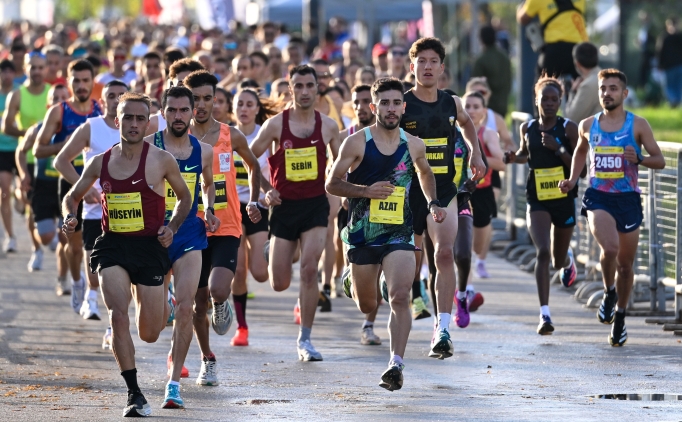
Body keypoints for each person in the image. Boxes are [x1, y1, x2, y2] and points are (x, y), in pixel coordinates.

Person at [62, 92, 191, 417]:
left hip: (149, 247)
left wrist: (172, 227)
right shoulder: (99, 162)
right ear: (117, 120)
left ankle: (165, 300)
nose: (134, 124)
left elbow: (185, 197)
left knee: (149, 333)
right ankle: (134, 393)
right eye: (128, 118)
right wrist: (70, 216)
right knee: (117, 315)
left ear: (147, 123)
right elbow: (72, 197)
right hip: (113, 246)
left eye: (140, 118)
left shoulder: (161, 160)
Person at [328, 77, 445, 390]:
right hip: (363, 234)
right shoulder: (356, 143)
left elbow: (425, 172)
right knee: (367, 305)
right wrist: (366, 191)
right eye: (385, 103)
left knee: (400, 296)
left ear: (404, 107)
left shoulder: (414, 144)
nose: (391, 109)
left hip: (399, 233)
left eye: (396, 103)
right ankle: (353, 279)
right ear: (373, 107)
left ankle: (396, 363)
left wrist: (433, 202)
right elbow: (332, 183)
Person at [559, 69, 665, 346]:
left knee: (626, 266)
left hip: (628, 199)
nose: (607, 93)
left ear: (624, 93)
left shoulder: (637, 125)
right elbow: (581, 150)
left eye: (613, 89)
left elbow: (660, 160)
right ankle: (608, 291)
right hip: (599, 197)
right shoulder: (587, 125)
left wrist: (639, 159)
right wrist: (573, 179)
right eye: (603, 89)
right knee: (610, 248)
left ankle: (620, 316)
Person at [399, 38, 485, 361]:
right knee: (410, 264)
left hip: (444, 190)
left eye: (433, 61)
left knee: (445, 253)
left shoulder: (452, 102)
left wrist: (475, 151)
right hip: (408, 190)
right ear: (412, 67)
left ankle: (443, 328)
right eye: (421, 61)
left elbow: (467, 124)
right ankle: (402, 294)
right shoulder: (402, 104)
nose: (427, 66)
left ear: (441, 67)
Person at [250, 65, 340, 362]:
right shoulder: (276, 125)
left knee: (310, 270)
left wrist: (340, 192)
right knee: (279, 283)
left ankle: (305, 339)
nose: (304, 91)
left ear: (317, 88)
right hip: (284, 208)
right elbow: (250, 158)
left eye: (309, 86)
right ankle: (276, 249)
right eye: (298, 86)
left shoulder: (328, 126)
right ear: (290, 90)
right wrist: (265, 190)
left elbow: (342, 163)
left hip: (315, 206)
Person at [183, 72, 261, 385]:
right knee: (196, 303)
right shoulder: (178, 137)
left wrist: (253, 200)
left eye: (207, 98)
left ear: (215, 100)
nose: (201, 105)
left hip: (227, 223)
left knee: (217, 290)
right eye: (195, 99)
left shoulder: (231, 135)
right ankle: (207, 359)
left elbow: (254, 166)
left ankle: (222, 302)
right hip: (192, 226)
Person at [145, 86, 219, 408]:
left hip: (189, 233)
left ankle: (173, 385)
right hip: (153, 235)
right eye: (172, 110)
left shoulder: (204, 151)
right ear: (163, 113)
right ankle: (166, 303)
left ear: (193, 112)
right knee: (154, 325)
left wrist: (210, 210)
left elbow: (208, 184)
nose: (178, 116)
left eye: (184, 110)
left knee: (188, 307)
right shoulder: (148, 146)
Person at [504, 76, 581, 334]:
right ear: (536, 100)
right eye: (544, 99)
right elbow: (525, 153)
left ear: (560, 102)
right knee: (543, 251)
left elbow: (579, 169)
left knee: (557, 260)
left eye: (553, 99)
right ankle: (544, 315)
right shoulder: (527, 128)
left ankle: (567, 261)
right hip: (537, 197)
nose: (549, 103)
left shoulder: (569, 129)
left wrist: (559, 149)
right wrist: (513, 157)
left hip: (563, 198)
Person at [54, 80, 130, 328]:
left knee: (120, 274)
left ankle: (112, 326)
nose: (116, 100)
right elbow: (61, 160)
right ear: (102, 101)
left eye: (121, 95)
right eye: (111, 95)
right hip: (95, 210)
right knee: (94, 269)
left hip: (128, 211)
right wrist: (83, 189)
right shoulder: (91, 127)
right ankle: (87, 292)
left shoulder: (138, 129)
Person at [35, 59, 103, 310]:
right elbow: (38, 149)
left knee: (92, 242)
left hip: (98, 187)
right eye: (77, 81)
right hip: (70, 186)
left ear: (93, 82)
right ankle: (76, 282)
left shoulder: (101, 110)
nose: (82, 85)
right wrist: (66, 145)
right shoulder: (59, 112)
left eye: (86, 80)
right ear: (68, 81)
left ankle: (93, 292)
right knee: (72, 246)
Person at [337, 84, 383, 345]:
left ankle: (369, 326)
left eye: (366, 101)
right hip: (352, 212)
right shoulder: (344, 137)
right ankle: (349, 273)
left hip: (383, 212)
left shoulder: (389, 136)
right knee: (360, 284)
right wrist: (347, 194)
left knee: (379, 272)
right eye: (356, 102)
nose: (360, 107)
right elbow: (332, 174)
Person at [232, 88, 279, 346]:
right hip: (232, 208)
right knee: (238, 270)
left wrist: (269, 191)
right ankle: (241, 327)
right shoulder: (226, 135)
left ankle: (270, 249)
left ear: (257, 109)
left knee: (261, 274)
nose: (244, 109)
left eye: (249, 104)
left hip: (259, 205)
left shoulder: (266, 135)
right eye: (240, 103)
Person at [14, 85, 68, 278]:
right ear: (48, 104)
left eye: (63, 98)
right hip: (43, 185)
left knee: (66, 236)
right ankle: (41, 244)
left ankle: (66, 278)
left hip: (67, 186)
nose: (59, 102)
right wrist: (23, 174)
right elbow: (21, 151)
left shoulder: (78, 129)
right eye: (55, 98)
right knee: (46, 236)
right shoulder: (37, 129)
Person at [3, 52, 51, 259]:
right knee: (33, 205)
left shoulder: (52, 93)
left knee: (44, 204)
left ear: (46, 69)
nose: (37, 71)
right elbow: (6, 127)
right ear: (25, 68)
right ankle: (37, 249)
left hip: (50, 157)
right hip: (27, 157)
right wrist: (29, 134)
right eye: (33, 67)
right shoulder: (17, 95)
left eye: (40, 67)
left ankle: (45, 241)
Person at [463, 92, 505, 279]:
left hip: (481, 191)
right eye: (467, 106)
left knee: (477, 246)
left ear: (484, 111)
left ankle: (479, 261)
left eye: (476, 107)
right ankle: (465, 280)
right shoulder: (454, 133)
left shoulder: (487, 134)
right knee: (459, 242)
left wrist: (477, 157)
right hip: (459, 191)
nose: (471, 111)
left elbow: (501, 163)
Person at [517, 0, 588, 79]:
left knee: (542, 82)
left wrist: (521, 7)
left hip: (555, 50)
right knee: (585, 81)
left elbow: (523, 19)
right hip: (580, 49)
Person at [471, 26, 512, 117]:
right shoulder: (504, 57)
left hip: (486, 108)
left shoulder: (481, 60)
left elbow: (475, 86)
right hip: (503, 105)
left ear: (481, 39)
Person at [0, 59, 19, 253]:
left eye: (9, 71)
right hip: (2, 149)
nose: (6, 75)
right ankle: (10, 236)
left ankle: (21, 201)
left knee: (22, 195)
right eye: (3, 71)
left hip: (21, 148)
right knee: (4, 192)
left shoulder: (18, 93)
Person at [565, 42, 602, 123]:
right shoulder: (607, 77)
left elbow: (570, 118)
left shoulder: (587, 85)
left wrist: (572, 92)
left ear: (577, 64)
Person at [656, 18, 682, 108]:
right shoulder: (679, 36)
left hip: (669, 66)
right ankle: (677, 101)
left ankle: (673, 100)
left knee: (669, 86)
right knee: (678, 86)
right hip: (678, 65)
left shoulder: (664, 37)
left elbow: (660, 51)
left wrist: (659, 64)